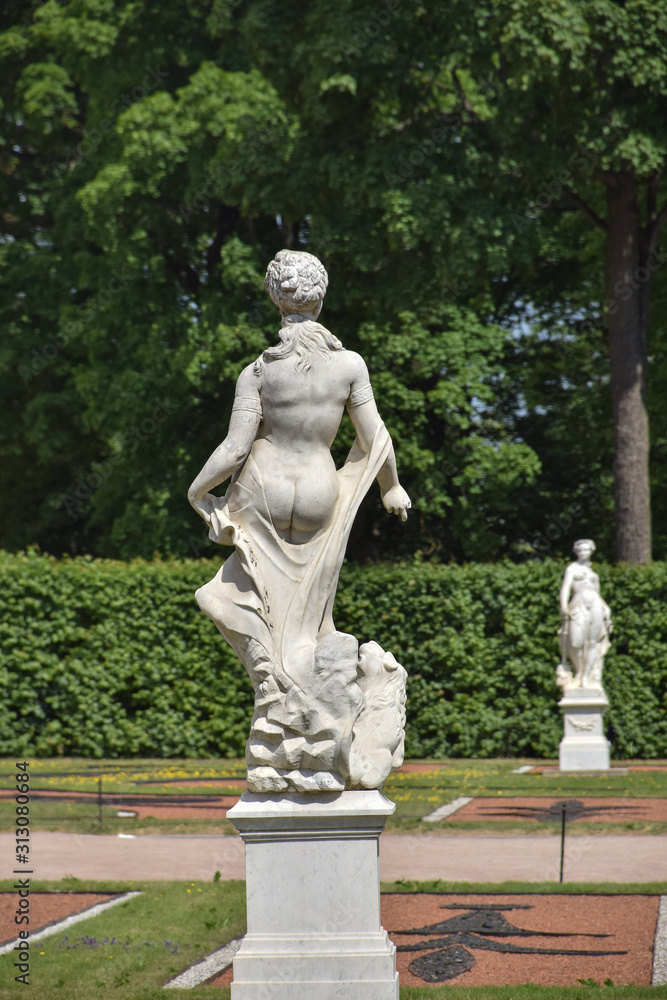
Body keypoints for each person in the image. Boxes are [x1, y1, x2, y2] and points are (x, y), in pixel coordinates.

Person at [188, 249, 411, 791]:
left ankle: (280, 697)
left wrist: (199, 491)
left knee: (241, 598)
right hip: (319, 490)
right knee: (313, 615)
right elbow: (373, 437)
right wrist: (392, 487)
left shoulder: (259, 371)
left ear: (274, 298)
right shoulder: (349, 365)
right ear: (322, 296)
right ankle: (306, 706)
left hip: (262, 488)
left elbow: (236, 446)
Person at [557, 539, 612, 690]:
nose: (582, 553)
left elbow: (597, 593)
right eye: (580, 550)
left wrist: (606, 608)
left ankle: (586, 678)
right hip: (578, 603)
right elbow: (565, 588)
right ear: (576, 552)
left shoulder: (593, 574)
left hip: (594, 604)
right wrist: (563, 606)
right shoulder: (572, 569)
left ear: (591, 551)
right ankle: (579, 672)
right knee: (575, 642)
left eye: (586, 550)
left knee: (593, 642)